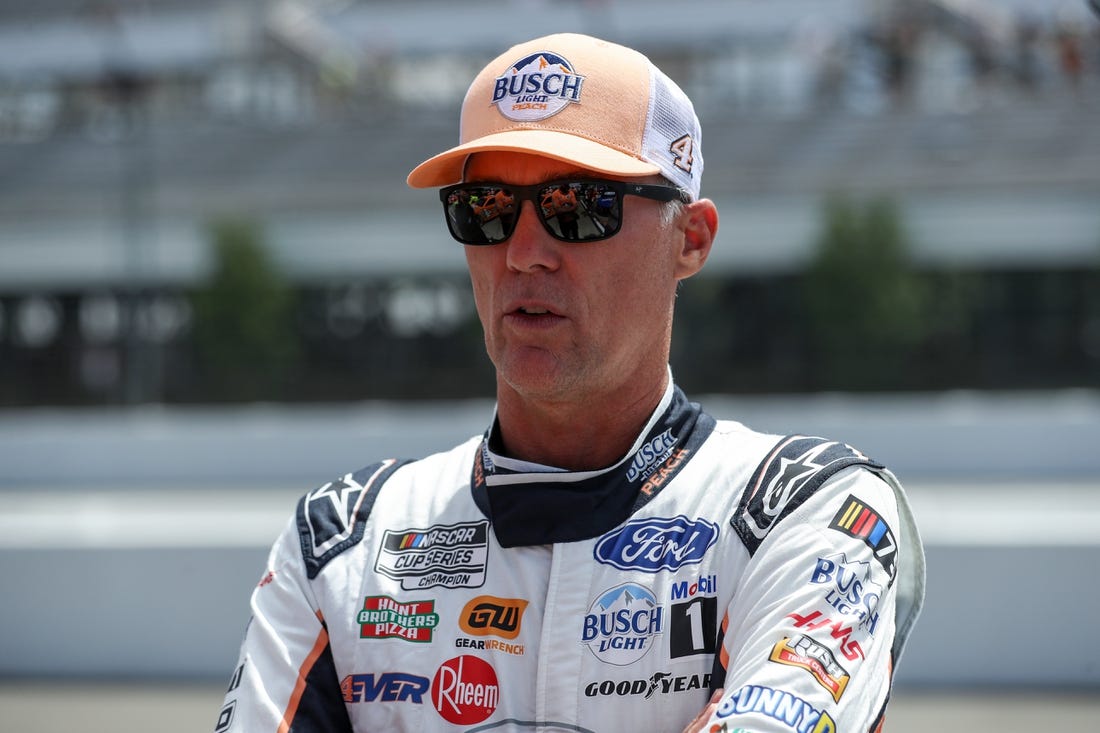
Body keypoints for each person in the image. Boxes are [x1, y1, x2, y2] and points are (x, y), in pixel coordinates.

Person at [215, 33, 924, 733]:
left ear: (691, 238)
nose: (524, 254)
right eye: (485, 207)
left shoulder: (807, 509)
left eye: (578, 205)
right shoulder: (343, 541)